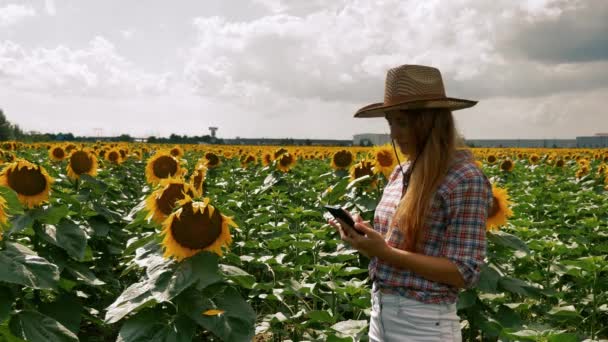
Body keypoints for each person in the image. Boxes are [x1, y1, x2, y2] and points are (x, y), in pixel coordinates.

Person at [328, 64, 493, 341]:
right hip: (381, 314)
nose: (394, 133)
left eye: (402, 122)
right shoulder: (401, 171)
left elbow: (464, 271)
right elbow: (396, 250)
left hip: (425, 323)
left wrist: (386, 252)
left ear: (430, 122)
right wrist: (365, 238)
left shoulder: (464, 178)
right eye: (390, 122)